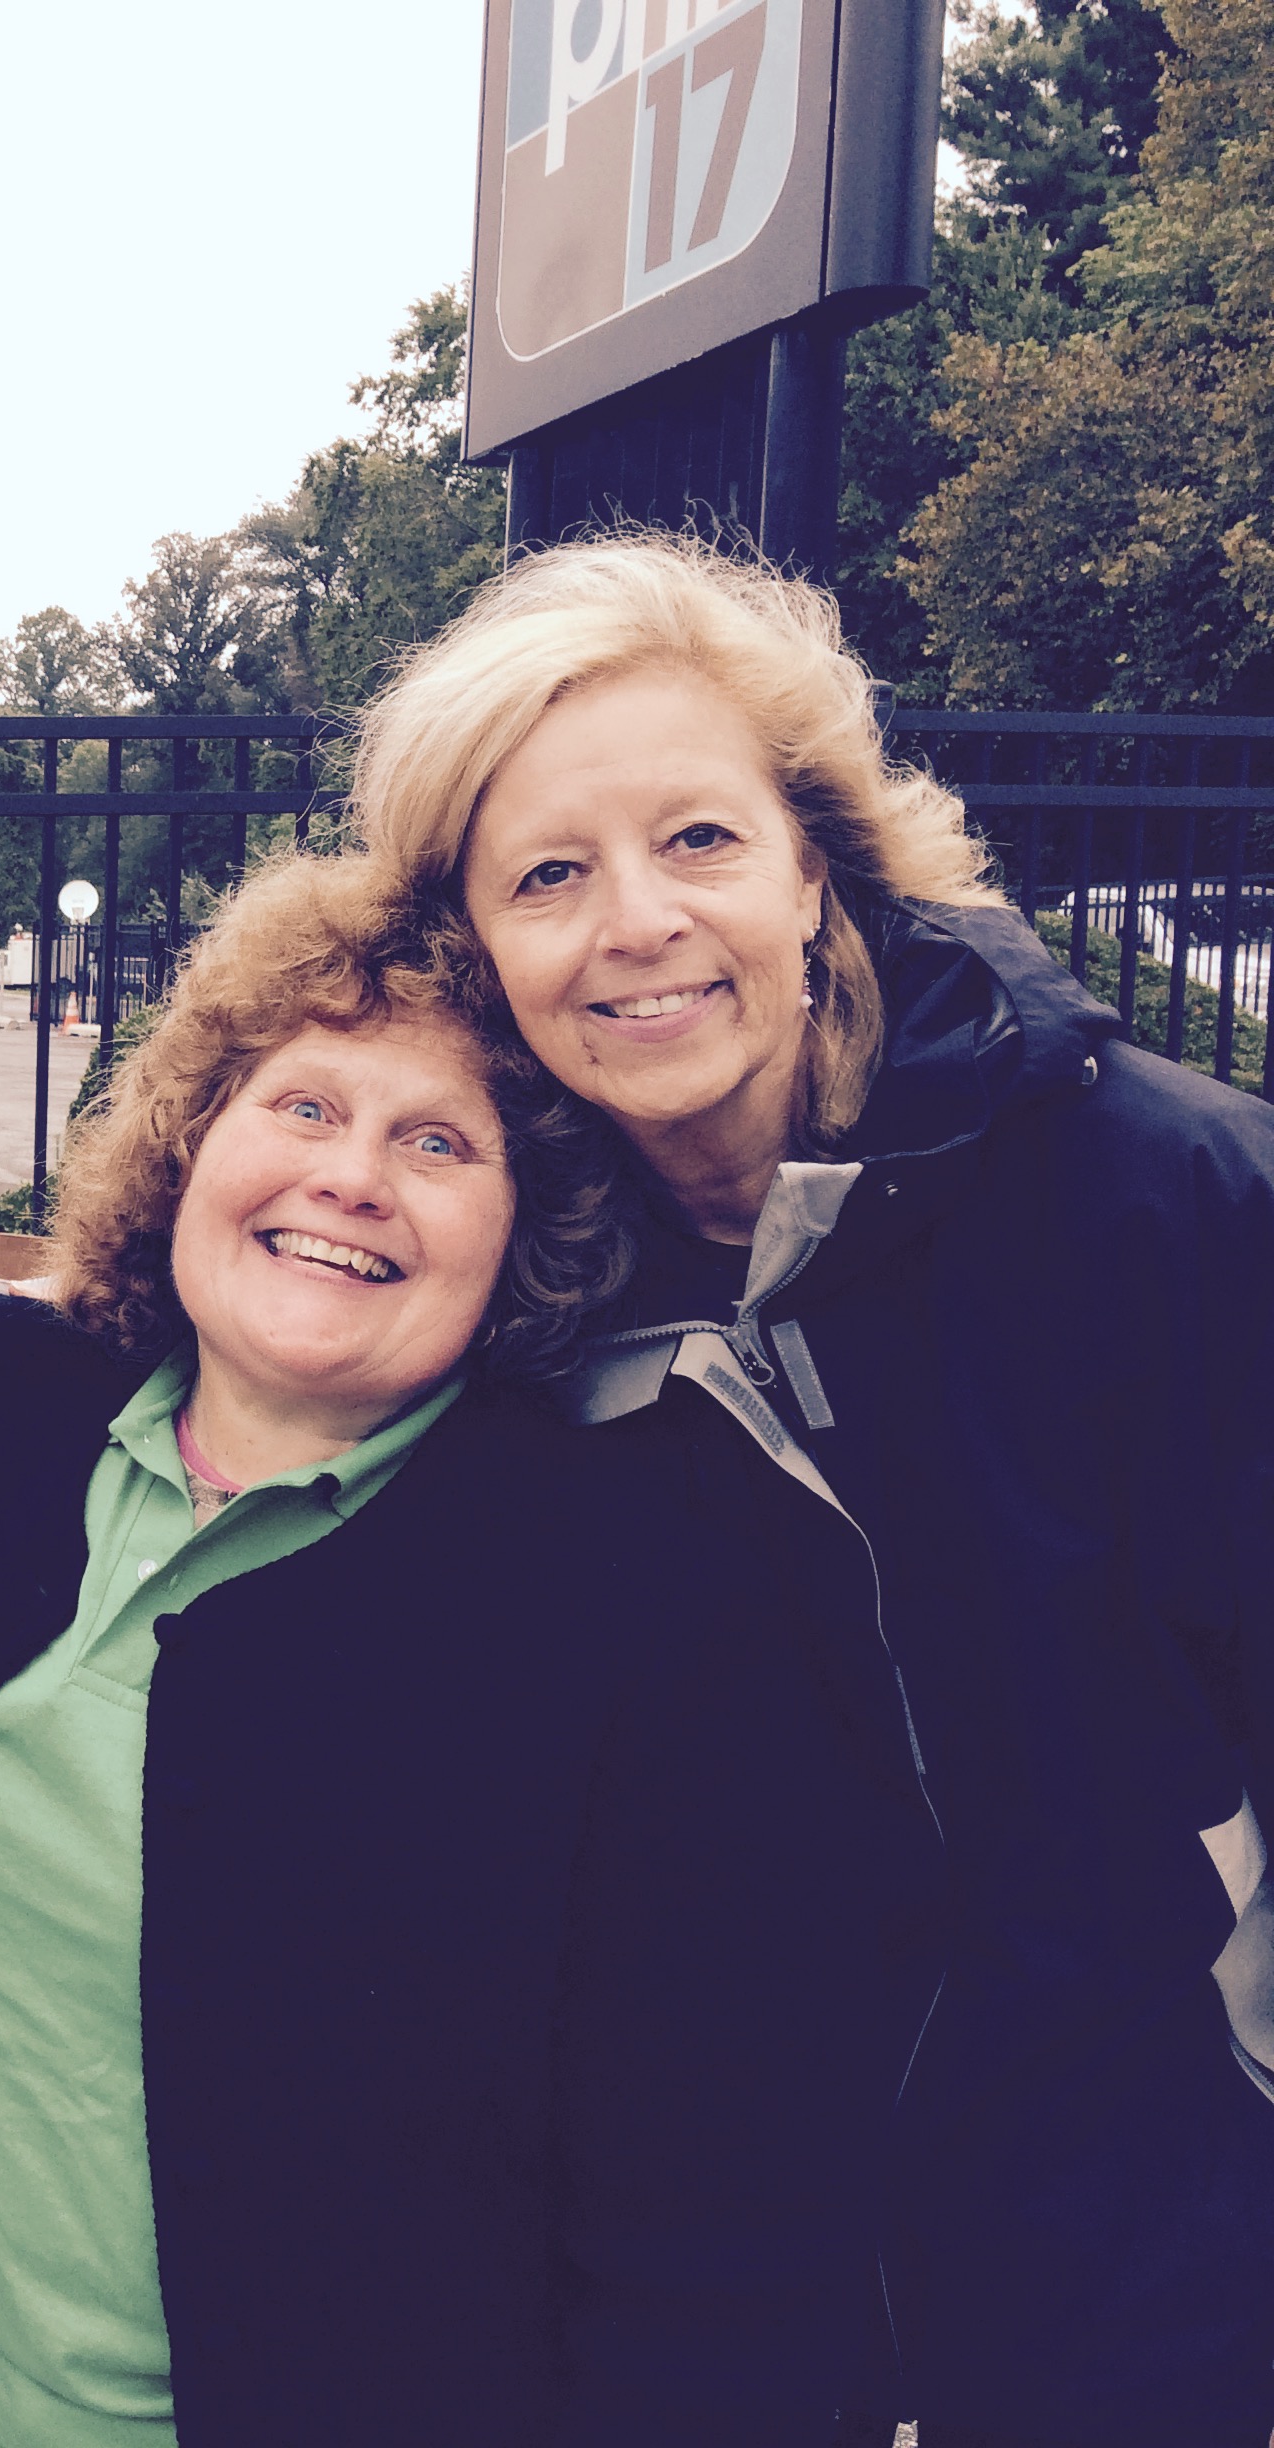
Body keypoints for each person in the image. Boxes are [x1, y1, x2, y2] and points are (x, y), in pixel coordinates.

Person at [0, 853, 942, 2447]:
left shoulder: (618, 1589)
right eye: (305, 1108)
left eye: (436, 1141)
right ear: (194, 1141)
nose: (352, 1176)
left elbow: (711, 2197)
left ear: (532, 1227)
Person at [346, 529, 1274, 2445]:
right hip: (709, 2313)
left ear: (809, 863)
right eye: (544, 874)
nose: (630, 923)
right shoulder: (501, 1297)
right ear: (475, 950)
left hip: (1129, 2270)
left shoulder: (1155, 1203)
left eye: (692, 840)